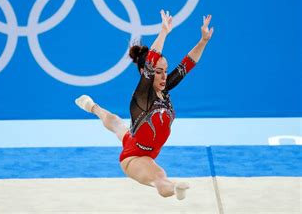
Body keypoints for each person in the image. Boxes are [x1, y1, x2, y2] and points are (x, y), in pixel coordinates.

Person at [75, 10, 214, 200]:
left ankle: (92, 106)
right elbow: (151, 62)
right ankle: (175, 189)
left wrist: (203, 41)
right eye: (159, 72)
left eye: (165, 71)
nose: (164, 76)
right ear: (146, 72)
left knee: (116, 123)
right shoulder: (142, 95)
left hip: (134, 140)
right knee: (159, 176)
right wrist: (163, 32)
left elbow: (187, 64)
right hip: (133, 158)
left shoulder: (164, 89)